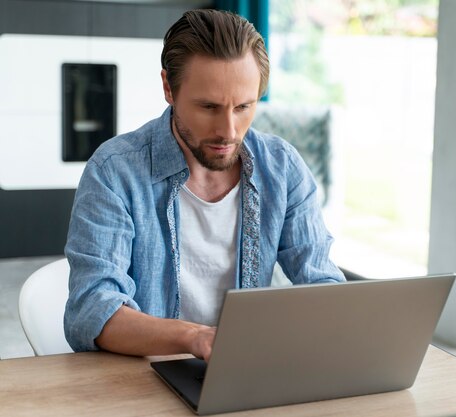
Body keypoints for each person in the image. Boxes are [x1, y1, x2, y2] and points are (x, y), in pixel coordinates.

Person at [64, 9, 345, 361]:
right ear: (168, 87)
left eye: (243, 106)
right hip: (143, 376)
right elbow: (92, 311)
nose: (228, 131)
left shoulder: (283, 167)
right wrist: (196, 338)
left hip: (247, 370)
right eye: (208, 107)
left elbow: (321, 283)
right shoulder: (114, 172)